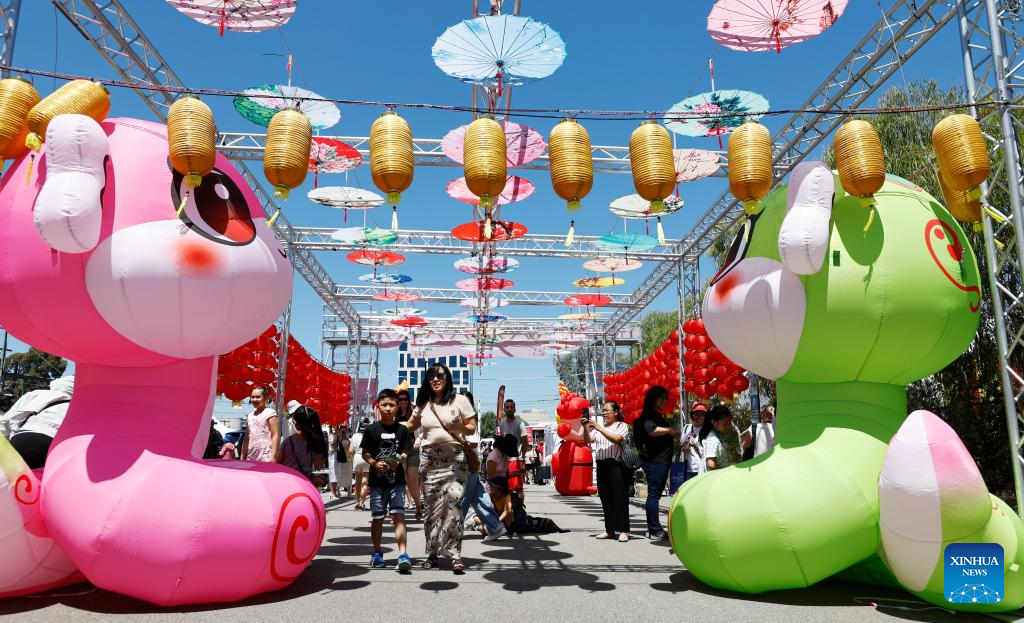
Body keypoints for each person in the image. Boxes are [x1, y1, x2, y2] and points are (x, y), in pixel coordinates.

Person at [404, 363, 476, 573]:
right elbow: (411, 424)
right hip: (429, 460)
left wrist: (459, 427)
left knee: (454, 504)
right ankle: (433, 553)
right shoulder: (424, 403)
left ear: (447, 378)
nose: (436, 379)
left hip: (455, 460)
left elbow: (472, 428)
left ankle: (455, 554)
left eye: (440, 376)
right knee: (432, 508)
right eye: (431, 376)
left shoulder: (460, 400)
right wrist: (388, 427)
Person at [361, 389, 414, 572]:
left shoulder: (403, 430)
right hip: (376, 484)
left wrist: (398, 460)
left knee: (398, 516)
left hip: (397, 482)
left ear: (398, 406)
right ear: (378, 406)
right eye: (384, 405)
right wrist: (375, 464)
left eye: (392, 405)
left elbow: (407, 450)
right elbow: (365, 453)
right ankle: (377, 553)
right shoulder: (371, 429)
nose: (388, 408)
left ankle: (403, 554)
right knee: (378, 518)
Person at [632, 385, 680, 540]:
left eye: (666, 399)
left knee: (655, 494)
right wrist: (669, 430)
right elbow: (651, 430)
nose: (664, 401)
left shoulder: (654, 414)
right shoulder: (649, 415)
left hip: (659, 460)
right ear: (653, 398)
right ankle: (655, 529)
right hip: (655, 460)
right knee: (654, 495)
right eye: (661, 398)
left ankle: (653, 528)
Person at [460, 391, 507, 541]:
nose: (462, 405)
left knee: (465, 499)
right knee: (479, 497)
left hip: (467, 466)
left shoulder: (468, 421)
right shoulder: (461, 420)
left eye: (466, 402)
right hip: (469, 466)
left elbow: (472, 441)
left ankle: (455, 527)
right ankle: (496, 526)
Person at [1, 376, 74, 469]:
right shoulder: (79, 406)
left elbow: (7, 419)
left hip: (22, 437)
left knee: (9, 480)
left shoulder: (38, 394)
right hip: (53, 445)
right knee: (41, 481)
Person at [587, 400, 631, 542]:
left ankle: (623, 530)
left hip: (616, 465)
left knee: (620, 498)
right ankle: (610, 530)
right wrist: (584, 428)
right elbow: (588, 440)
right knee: (605, 498)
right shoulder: (600, 428)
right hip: (601, 465)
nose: (604, 413)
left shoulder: (621, 426)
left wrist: (599, 427)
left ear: (616, 412)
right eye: (603, 410)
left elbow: (617, 439)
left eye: (607, 410)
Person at [276, 404, 328, 484]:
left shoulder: (288, 441)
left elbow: (277, 463)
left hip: (286, 480)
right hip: (304, 482)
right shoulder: (315, 441)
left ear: (295, 422)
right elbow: (318, 466)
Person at [396, 389, 422, 521]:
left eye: (405, 399)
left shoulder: (414, 414)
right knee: (401, 481)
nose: (403, 402)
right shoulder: (394, 414)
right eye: (400, 399)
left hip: (413, 449)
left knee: (412, 482)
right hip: (399, 450)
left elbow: (422, 430)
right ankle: (396, 510)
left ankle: (418, 505)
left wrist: (418, 440)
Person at [240, 385, 279, 463]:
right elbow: (247, 437)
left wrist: (274, 456)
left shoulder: (270, 413)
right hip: (251, 454)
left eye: (258, 397)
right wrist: (242, 455)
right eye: (252, 397)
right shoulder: (250, 415)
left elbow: (275, 434)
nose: (254, 399)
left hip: (265, 454)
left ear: (266, 397)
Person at [701, 404, 734, 472]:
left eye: (729, 423)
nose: (728, 426)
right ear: (714, 422)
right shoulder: (713, 440)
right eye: (725, 424)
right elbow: (711, 464)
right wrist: (723, 472)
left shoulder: (718, 436)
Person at [680, 402, 708, 483]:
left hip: (704, 469)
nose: (699, 417)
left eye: (702, 414)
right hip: (690, 469)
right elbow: (683, 444)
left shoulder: (708, 430)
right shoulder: (686, 428)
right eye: (696, 414)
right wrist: (684, 448)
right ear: (692, 415)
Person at [351, 417, 371, 510]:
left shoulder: (354, 436)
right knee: (365, 483)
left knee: (357, 483)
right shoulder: (370, 435)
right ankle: (362, 503)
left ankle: (357, 501)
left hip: (357, 458)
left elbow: (351, 450)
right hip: (366, 457)